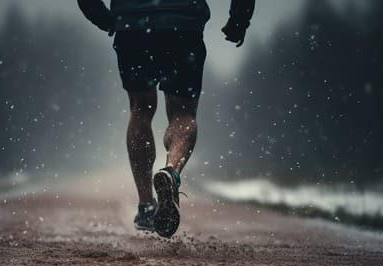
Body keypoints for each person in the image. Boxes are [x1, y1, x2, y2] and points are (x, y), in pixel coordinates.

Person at [78, 0, 255, 237]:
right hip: (183, 25)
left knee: (140, 109)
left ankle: (146, 206)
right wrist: (239, 19)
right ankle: (171, 172)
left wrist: (104, 18)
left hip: (133, 26)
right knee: (183, 113)